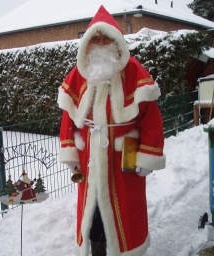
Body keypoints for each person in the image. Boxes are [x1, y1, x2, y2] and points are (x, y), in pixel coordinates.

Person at [58, 5, 166, 256]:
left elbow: (151, 119)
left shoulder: (135, 72)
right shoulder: (77, 75)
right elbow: (67, 120)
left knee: (126, 214)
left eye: (106, 36)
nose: (101, 42)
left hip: (123, 163)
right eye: (95, 38)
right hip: (89, 162)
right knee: (92, 213)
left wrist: (147, 157)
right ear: (88, 42)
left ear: (117, 40)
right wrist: (71, 157)